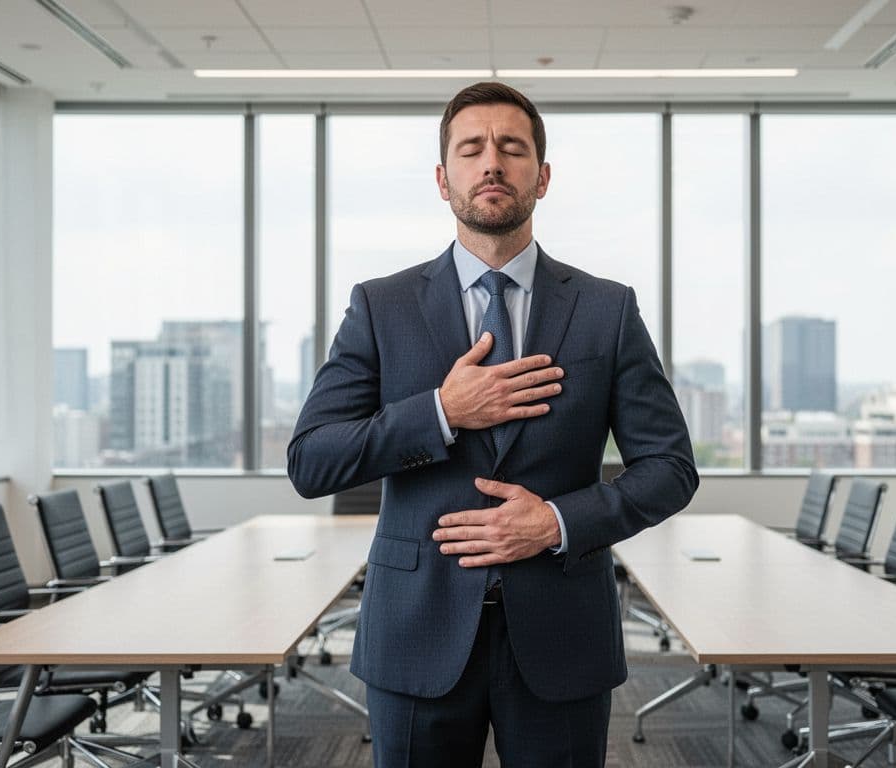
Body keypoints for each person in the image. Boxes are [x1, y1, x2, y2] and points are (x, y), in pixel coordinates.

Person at [288, 81, 697, 767]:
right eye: (471, 148)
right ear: (444, 179)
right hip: (416, 631)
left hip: (562, 634)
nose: (492, 164)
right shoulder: (381, 306)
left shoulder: (607, 309)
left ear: (542, 175)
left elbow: (671, 469)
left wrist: (558, 522)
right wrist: (442, 412)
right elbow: (312, 461)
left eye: (512, 148)